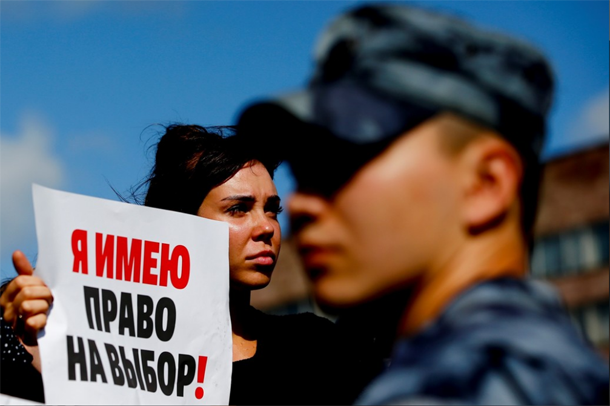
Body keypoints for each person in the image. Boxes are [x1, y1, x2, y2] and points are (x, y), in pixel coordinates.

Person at [235, 3, 610, 405]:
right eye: (303, 171)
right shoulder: (549, 365)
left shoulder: (454, 391)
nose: (301, 203)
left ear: (486, 183)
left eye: (344, 162)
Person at [0, 124, 379, 405]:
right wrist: (28, 343)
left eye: (272, 210)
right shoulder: (107, 348)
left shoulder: (315, 349)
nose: (266, 227)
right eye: (239, 209)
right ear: (179, 222)